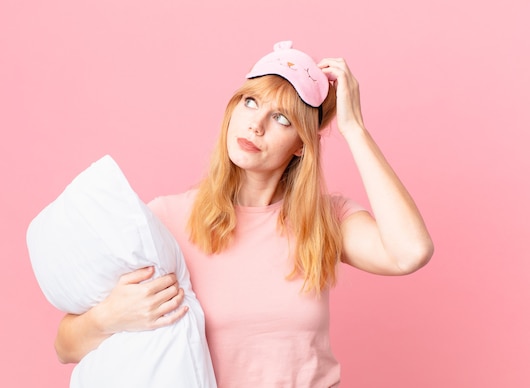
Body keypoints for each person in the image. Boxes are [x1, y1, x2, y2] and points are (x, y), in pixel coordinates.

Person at [54, 41, 434, 387]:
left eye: (282, 119)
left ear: (302, 146)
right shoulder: (166, 218)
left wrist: (354, 129)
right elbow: (65, 346)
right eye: (250, 102)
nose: (256, 124)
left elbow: (410, 252)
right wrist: (108, 318)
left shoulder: (326, 220)